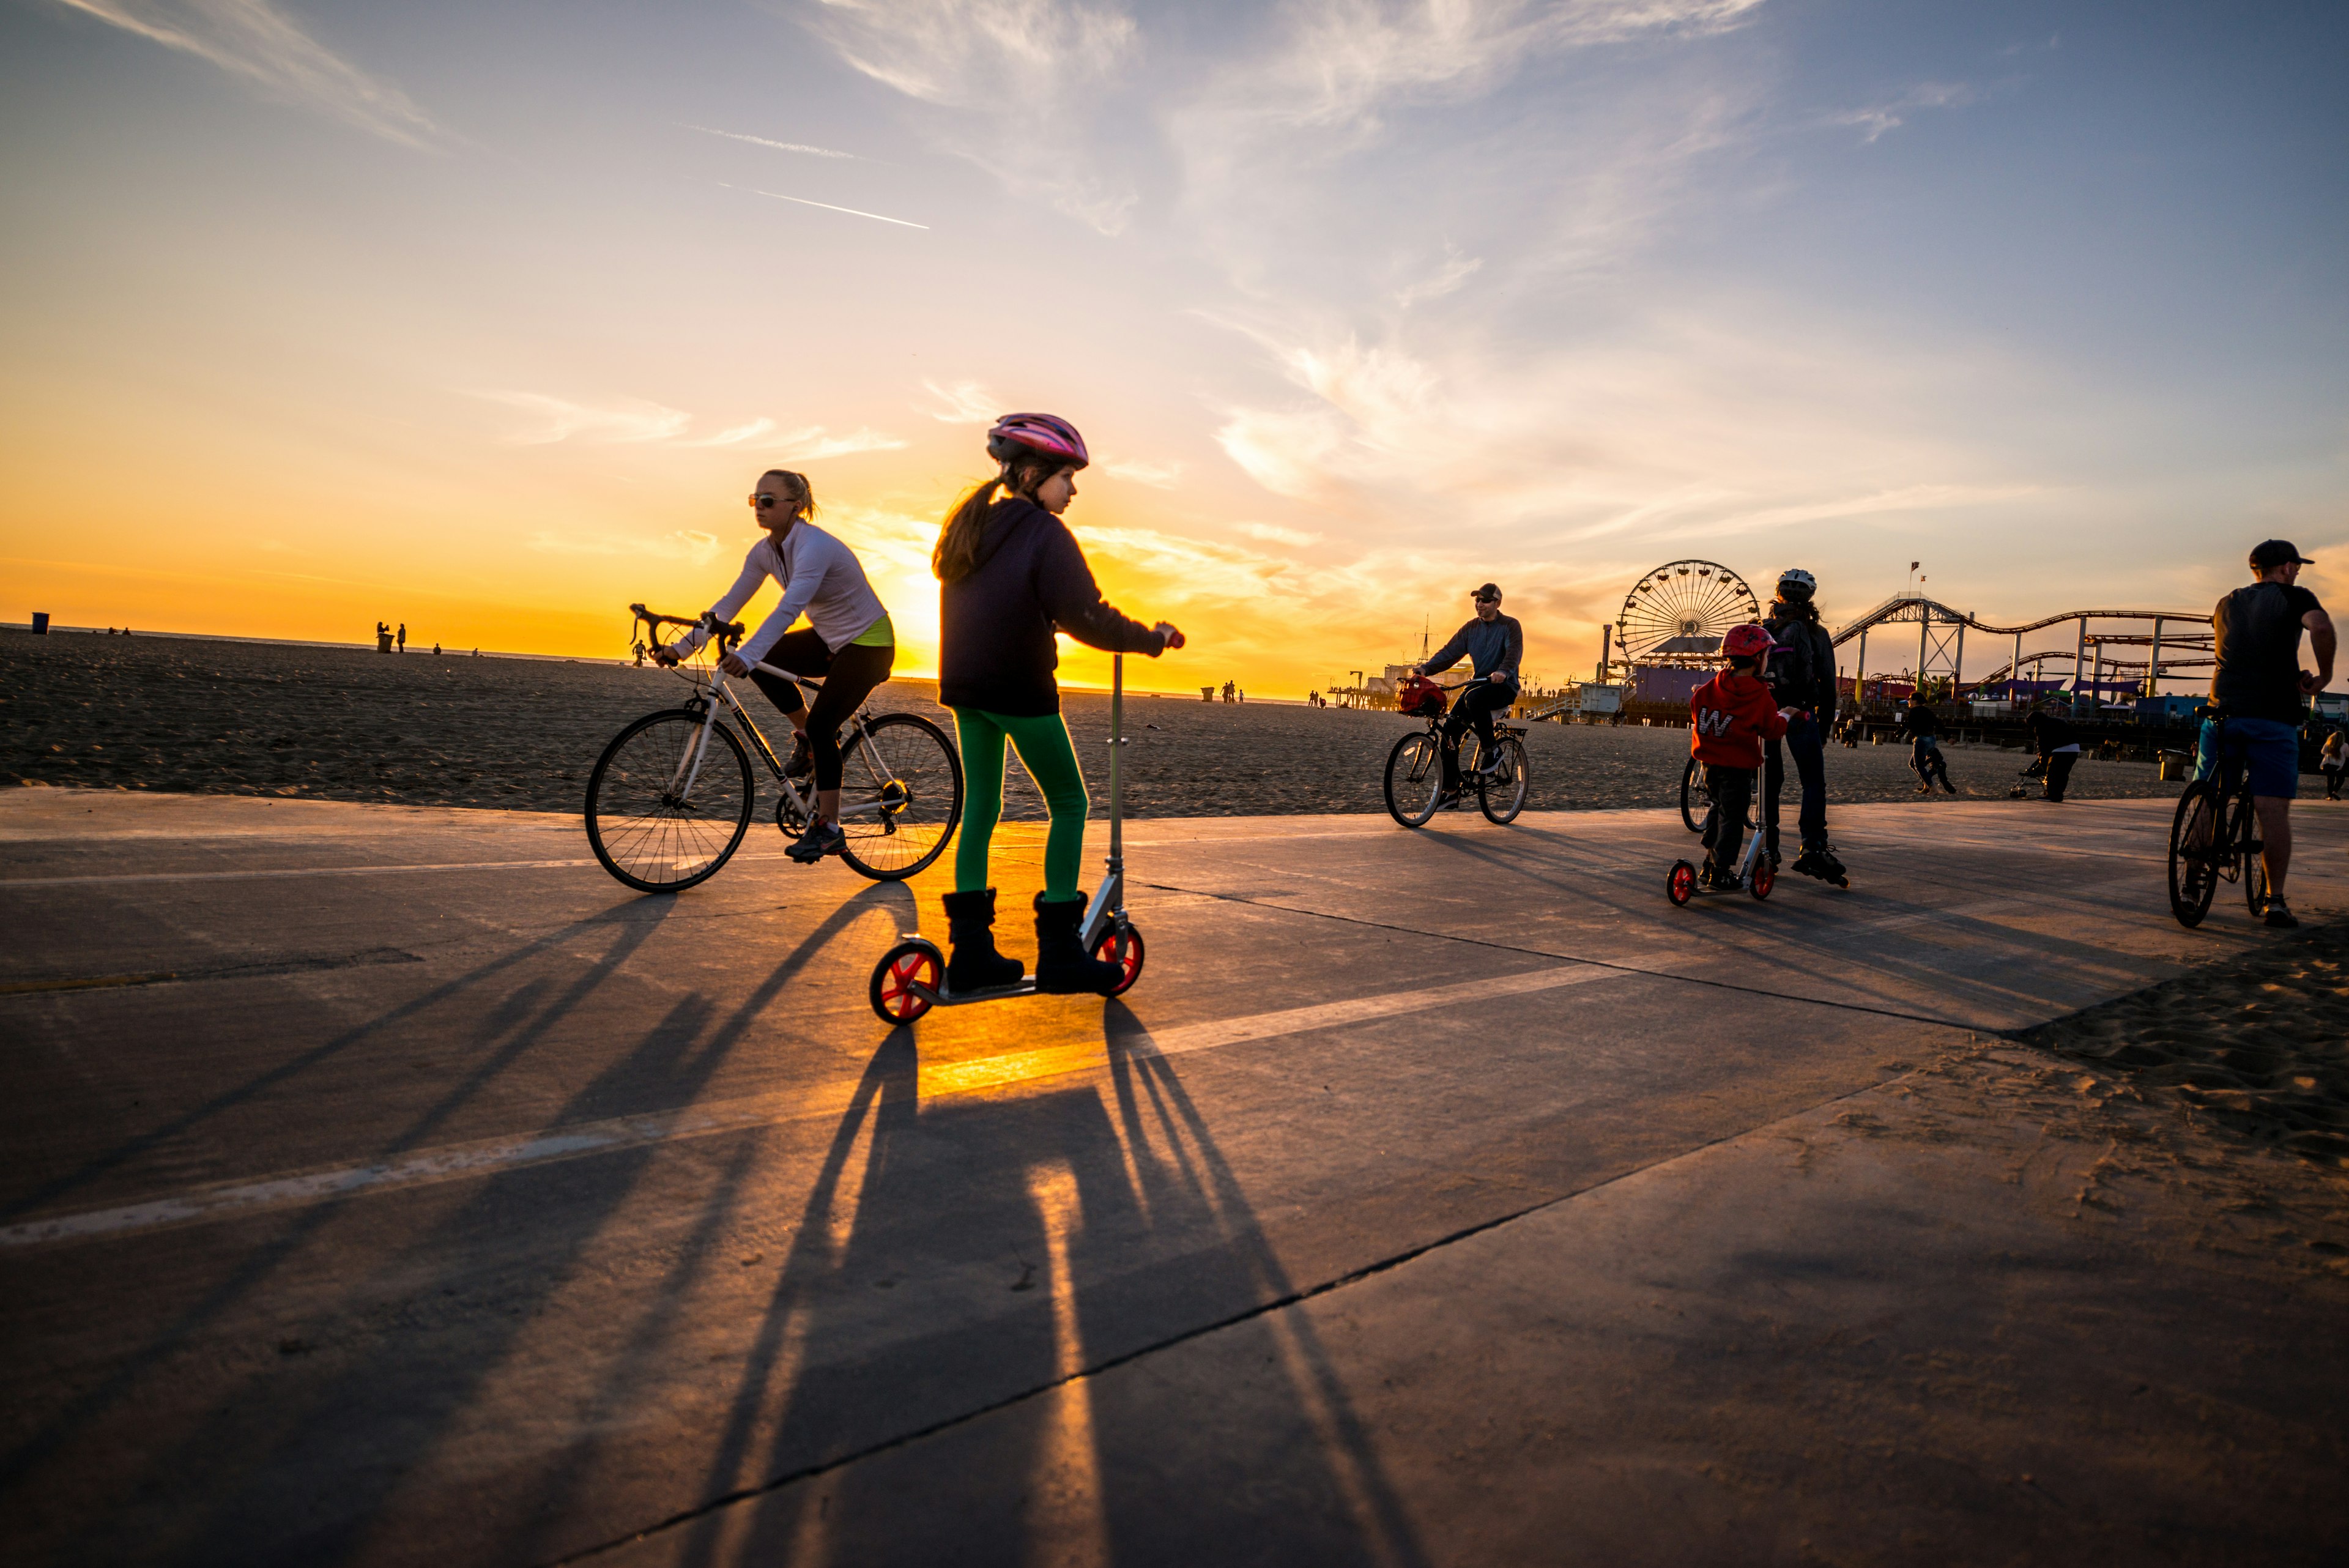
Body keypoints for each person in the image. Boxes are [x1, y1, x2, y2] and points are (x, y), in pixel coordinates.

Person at [934, 412, 1185, 994]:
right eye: (1066, 478)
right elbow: (1087, 616)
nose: (1072, 490)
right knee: (1070, 802)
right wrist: (1152, 638)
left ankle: (971, 952)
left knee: (982, 809)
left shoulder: (970, 528)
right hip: (1017, 688)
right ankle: (1060, 952)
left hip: (965, 689)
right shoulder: (1043, 533)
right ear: (1031, 474)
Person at [658, 468, 897, 866]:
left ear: (796, 506)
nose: (759, 508)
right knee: (773, 674)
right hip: (830, 639)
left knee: (822, 724)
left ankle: (829, 829)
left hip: (868, 644)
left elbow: (790, 607)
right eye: (755, 500)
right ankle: (808, 738)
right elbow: (727, 605)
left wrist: (747, 654)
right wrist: (680, 649)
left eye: (768, 500)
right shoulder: (765, 551)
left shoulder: (814, 546)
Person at [2196, 539, 2336, 928]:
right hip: (2272, 718)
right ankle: (2275, 901)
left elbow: (2247, 649)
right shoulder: (2294, 596)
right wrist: (2321, 676)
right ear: (2287, 567)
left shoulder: (2226, 602)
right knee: (2272, 810)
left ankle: (2192, 877)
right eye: (2297, 567)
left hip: (2221, 711)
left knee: (2210, 796)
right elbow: (2321, 626)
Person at [1689, 624, 1794, 886]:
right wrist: (1787, 715)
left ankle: (1708, 863)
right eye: (1767, 655)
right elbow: (1772, 731)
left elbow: (1696, 708)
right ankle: (1721, 870)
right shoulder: (1760, 698)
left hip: (1709, 763)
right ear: (1758, 658)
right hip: (1737, 767)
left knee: (1717, 808)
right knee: (1733, 817)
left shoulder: (1710, 689)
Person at [1760, 568, 1845, 884]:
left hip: (1767, 711)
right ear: (1810, 597)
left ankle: (1769, 848)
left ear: (1778, 593)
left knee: (1771, 781)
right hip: (1802, 713)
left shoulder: (1764, 629)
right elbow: (1828, 684)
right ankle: (1812, 847)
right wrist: (1824, 726)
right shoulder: (1816, 634)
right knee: (1812, 781)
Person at [1416, 584, 1523, 804]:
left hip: (1504, 686)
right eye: (1477, 600)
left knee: (1474, 698)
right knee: (1449, 733)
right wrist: (1426, 669)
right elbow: (1450, 652)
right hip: (1478, 685)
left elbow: (1514, 652)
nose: (1479, 604)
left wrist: (1503, 671)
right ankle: (1452, 790)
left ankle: (1492, 751)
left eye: (1485, 601)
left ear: (1497, 603)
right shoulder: (1471, 628)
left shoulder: (1510, 626)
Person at [2022, 704, 2082, 801]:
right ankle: (2058, 795)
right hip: (2074, 749)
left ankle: (2052, 795)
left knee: (2053, 773)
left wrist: (2042, 757)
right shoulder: (2056, 721)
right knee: (2063, 774)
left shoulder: (2040, 727)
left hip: (2061, 751)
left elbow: (2043, 745)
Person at [1903, 699, 1956, 793]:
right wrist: (1948, 738)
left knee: (1918, 766)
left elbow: (1910, 725)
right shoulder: (1928, 711)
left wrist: (1902, 729)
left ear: (1915, 701)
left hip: (1921, 740)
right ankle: (1926, 784)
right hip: (1931, 739)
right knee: (1913, 764)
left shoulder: (1914, 711)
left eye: (1910, 700)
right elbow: (1939, 724)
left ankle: (1932, 788)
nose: (1908, 702)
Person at [2321, 728, 2346, 801]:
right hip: (2339, 765)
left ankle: (2330, 796)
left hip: (2329, 764)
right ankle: (2335, 792)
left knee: (2330, 780)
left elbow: (2323, 752)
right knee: (2341, 779)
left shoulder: (2328, 744)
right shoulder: (2345, 745)